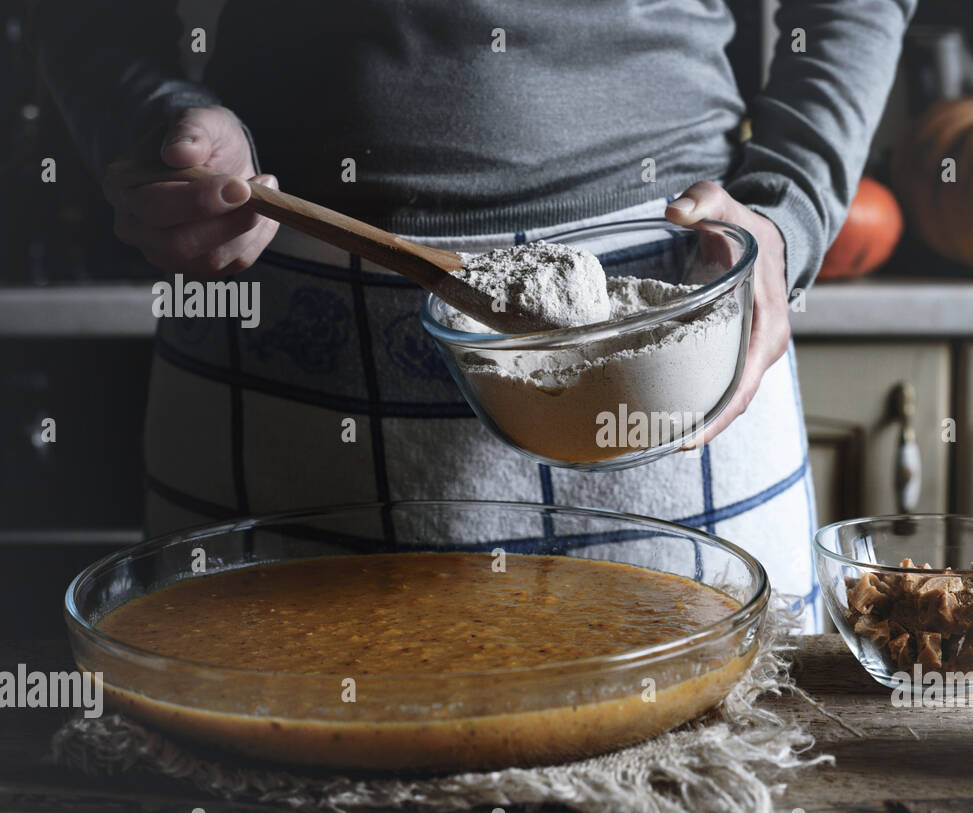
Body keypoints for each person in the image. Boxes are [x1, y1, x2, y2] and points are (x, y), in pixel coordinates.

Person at [30, 1, 914, 629]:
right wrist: (153, 125)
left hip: (669, 311)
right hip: (284, 286)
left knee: (706, 802)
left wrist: (788, 210)